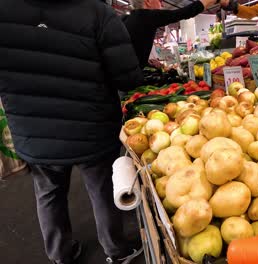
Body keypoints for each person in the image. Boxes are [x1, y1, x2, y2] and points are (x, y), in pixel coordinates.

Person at [0, 0, 143, 263]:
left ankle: (60, 254)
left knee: (48, 192)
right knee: (102, 189)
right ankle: (116, 250)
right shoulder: (97, 12)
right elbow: (128, 77)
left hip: (33, 130)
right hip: (92, 127)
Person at [122, 0, 219, 66]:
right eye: (159, 0)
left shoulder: (133, 18)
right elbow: (183, 13)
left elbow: (132, 48)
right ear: (148, 1)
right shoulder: (145, 16)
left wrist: (145, 62)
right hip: (126, 81)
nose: (162, 4)